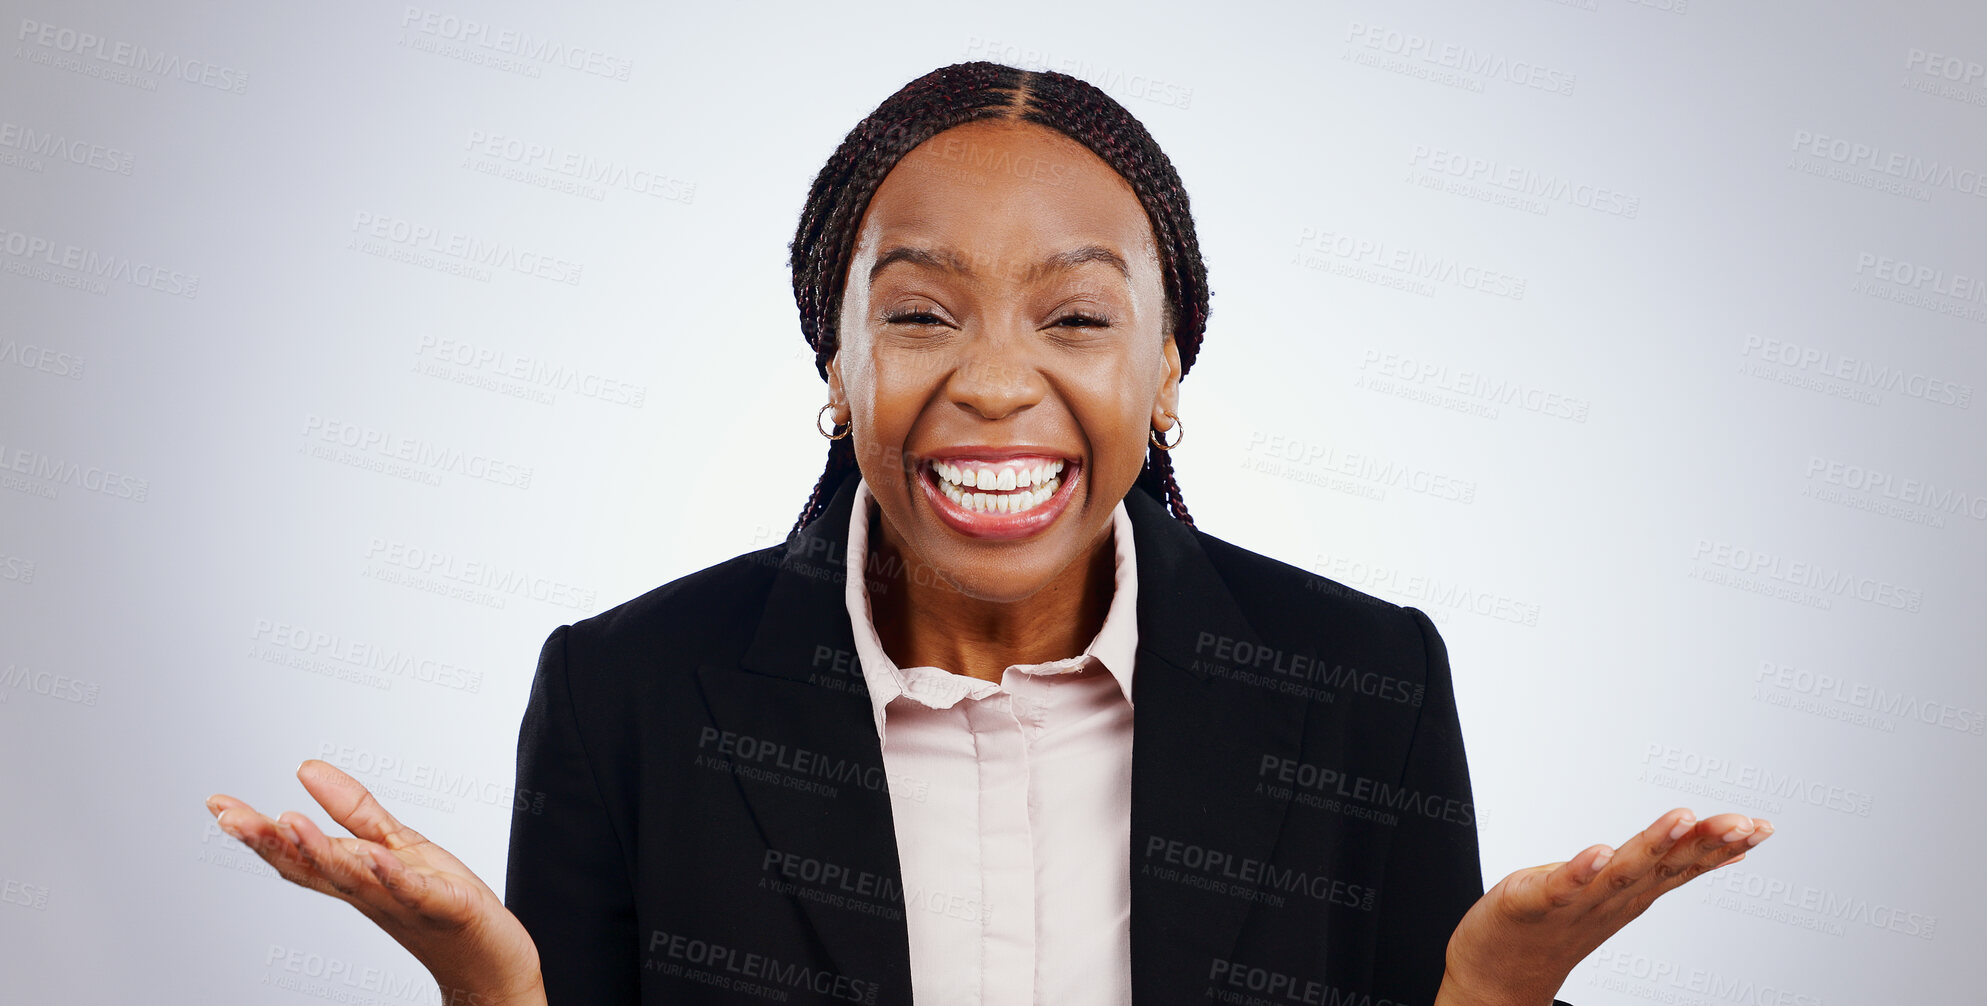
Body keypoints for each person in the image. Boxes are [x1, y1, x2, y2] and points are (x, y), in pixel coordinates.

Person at [206, 62, 1772, 1006]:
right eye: (920, 313)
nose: (998, 380)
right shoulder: (628, 691)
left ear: (1168, 367)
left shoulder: (1360, 684)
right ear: (839, 366)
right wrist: (495, 990)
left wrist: (1492, 993)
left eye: (1078, 314)